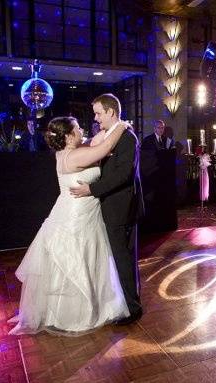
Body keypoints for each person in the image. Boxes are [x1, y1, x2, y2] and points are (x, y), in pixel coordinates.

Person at [8, 116, 131, 335]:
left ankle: (67, 310)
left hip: (81, 212)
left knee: (83, 260)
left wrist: (110, 124)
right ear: (68, 135)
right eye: (78, 127)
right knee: (75, 261)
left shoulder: (70, 152)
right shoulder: (74, 156)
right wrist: (121, 125)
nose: (82, 128)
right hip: (76, 216)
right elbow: (105, 146)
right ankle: (73, 314)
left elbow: (98, 140)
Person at [70, 94, 143, 325]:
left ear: (111, 112)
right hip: (112, 206)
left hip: (120, 207)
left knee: (123, 258)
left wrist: (91, 189)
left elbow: (123, 175)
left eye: (99, 113)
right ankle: (125, 302)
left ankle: (133, 309)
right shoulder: (107, 137)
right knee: (119, 258)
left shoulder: (127, 138)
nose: (95, 118)